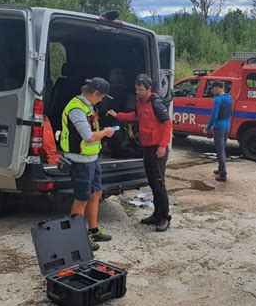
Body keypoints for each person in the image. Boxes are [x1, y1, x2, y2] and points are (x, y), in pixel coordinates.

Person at [107, 74, 173, 232]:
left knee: (158, 183)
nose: (137, 91)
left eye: (140, 89)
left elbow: (167, 123)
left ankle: (164, 217)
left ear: (149, 89)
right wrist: (119, 116)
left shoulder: (156, 103)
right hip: (147, 146)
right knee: (152, 182)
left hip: (157, 147)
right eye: (136, 89)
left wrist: (163, 146)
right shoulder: (140, 102)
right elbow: (136, 116)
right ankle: (156, 215)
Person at [60, 77, 116, 251]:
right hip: (80, 161)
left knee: (96, 193)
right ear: (95, 93)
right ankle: (75, 238)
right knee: (81, 199)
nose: (102, 100)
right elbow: (89, 137)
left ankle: (93, 230)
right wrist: (106, 132)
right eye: (102, 97)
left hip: (92, 159)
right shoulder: (76, 108)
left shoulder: (88, 105)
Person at [203, 81, 232, 182]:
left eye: (213, 88)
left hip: (219, 127)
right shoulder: (229, 97)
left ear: (217, 88)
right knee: (222, 148)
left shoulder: (218, 100)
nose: (211, 90)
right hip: (227, 125)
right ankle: (220, 168)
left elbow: (214, 115)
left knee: (220, 150)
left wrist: (207, 128)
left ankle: (223, 173)